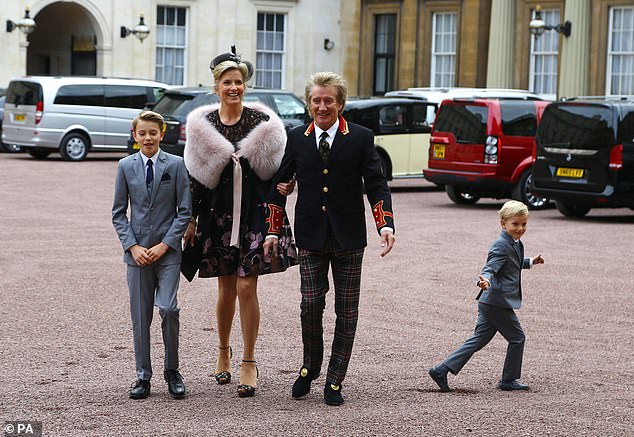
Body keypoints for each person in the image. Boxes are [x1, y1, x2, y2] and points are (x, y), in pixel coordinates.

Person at [263, 71, 396, 406]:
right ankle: (310, 366)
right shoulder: (297, 138)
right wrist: (273, 229)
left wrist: (385, 224)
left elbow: (377, 184)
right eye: (316, 100)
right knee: (310, 304)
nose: (322, 106)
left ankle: (335, 380)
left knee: (346, 311)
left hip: (349, 236)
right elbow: (279, 185)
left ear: (340, 103)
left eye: (328, 101)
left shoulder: (362, 137)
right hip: (310, 234)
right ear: (309, 103)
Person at [181, 46, 297, 398]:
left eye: (239, 82)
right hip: (217, 214)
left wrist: (289, 186)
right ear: (216, 86)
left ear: (245, 84)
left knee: (248, 286)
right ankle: (222, 351)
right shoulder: (203, 127)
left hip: (256, 215)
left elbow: (283, 169)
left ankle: (248, 360)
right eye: (227, 82)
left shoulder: (265, 125)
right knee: (225, 288)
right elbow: (194, 178)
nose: (234, 87)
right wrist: (188, 220)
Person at [112, 110, 192, 399]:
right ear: (135, 136)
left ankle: (173, 370)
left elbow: (184, 211)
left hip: (167, 253)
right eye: (142, 133)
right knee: (140, 315)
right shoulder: (125, 166)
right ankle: (143, 376)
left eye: (153, 133)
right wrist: (132, 247)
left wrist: (165, 244)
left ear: (162, 134)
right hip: (137, 254)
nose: (148, 137)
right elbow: (118, 213)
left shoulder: (177, 165)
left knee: (169, 308)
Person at [428, 200, 545, 392]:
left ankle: (442, 370)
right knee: (517, 337)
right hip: (496, 303)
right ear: (503, 223)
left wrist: (531, 261)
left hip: (490, 302)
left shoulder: (514, 242)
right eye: (515, 224)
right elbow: (490, 267)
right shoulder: (500, 245)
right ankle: (508, 380)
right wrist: (485, 279)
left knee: (478, 339)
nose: (520, 228)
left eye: (523, 224)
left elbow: (513, 262)